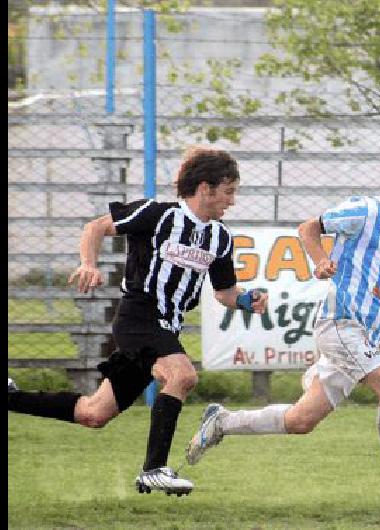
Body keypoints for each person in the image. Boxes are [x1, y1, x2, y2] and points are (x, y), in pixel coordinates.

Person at [185, 149, 380, 511]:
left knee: (300, 420)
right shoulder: (367, 211)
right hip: (341, 324)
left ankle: (223, 422)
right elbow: (308, 228)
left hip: (363, 334)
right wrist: (321, 259)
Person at [8, 147, 268, 496]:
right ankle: (154, 469)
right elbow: (96, 226)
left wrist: (249, 300)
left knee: (93, 413)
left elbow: (225, 292)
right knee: (182, 374)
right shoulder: (157, 214)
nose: (232, 201)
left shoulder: (220, 237)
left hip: (165, 328)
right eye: (229, 191)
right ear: (205, 188)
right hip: (138, 318)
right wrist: (89, 263)